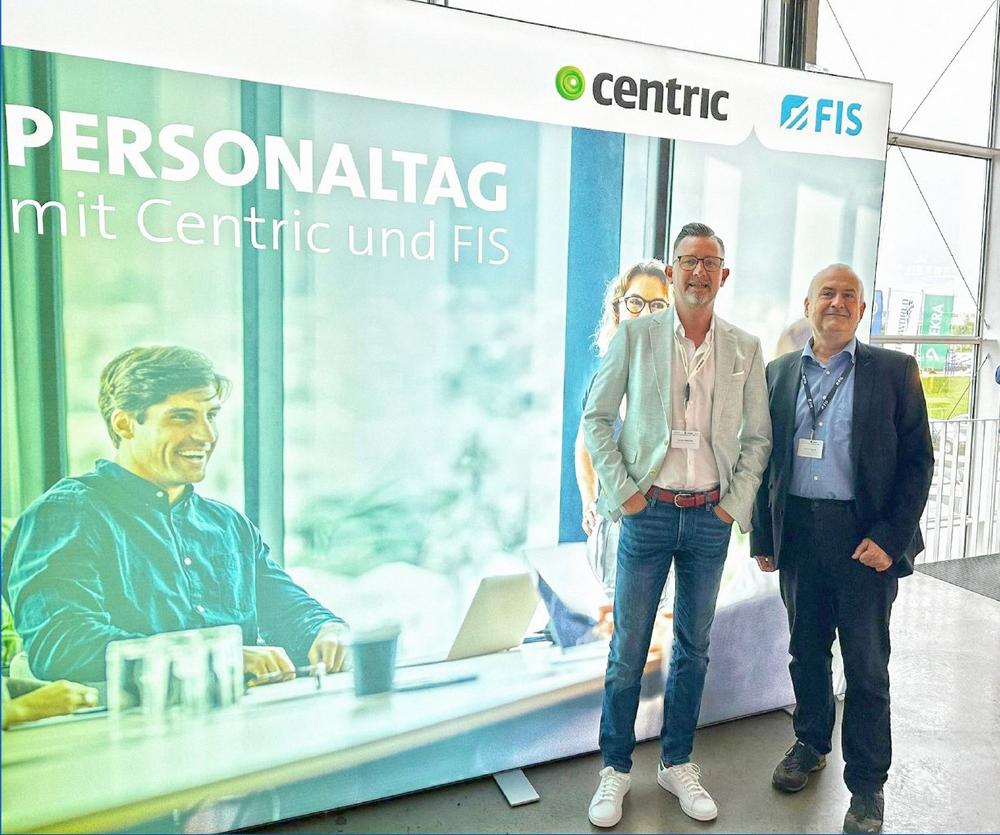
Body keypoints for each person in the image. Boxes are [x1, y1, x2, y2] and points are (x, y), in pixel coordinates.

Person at [2, 346, 348, 683]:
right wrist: (214, 658)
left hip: (244, 714)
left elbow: (290, 611)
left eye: (211, 415)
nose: (206, 435)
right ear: (124, 424)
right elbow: (63, 645)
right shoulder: (64, 515)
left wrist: (327, 631)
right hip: (129, 720)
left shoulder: (228, 525)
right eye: (182, 417)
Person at [583, 222, 771, 826]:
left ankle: (677, 762)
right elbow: (596, 419)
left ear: (723, 274)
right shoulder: (636, 336)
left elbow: (758, 438)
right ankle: (615, 769)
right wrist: (626, 496)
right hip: (650, 515)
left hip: (710, 519)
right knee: (628, 648)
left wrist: (732, 506)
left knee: (693, 648)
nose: (698, 271)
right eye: (687, 261)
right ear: (672, 272)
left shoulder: (744, 347)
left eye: (709, 262)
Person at [751, 264, 933, 834]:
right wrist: (764, 535)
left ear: (861, 309)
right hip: (800, 536)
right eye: (826, 294)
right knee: (805, 653)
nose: (837, 303)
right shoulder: (779, 373)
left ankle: (867, 787)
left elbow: (918, 463)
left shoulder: (895, 371)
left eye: (848, 295)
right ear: (807, 305)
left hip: (865, 540)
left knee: (866, 667)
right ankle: (810, 743)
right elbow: (764, 460)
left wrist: (890, 538)